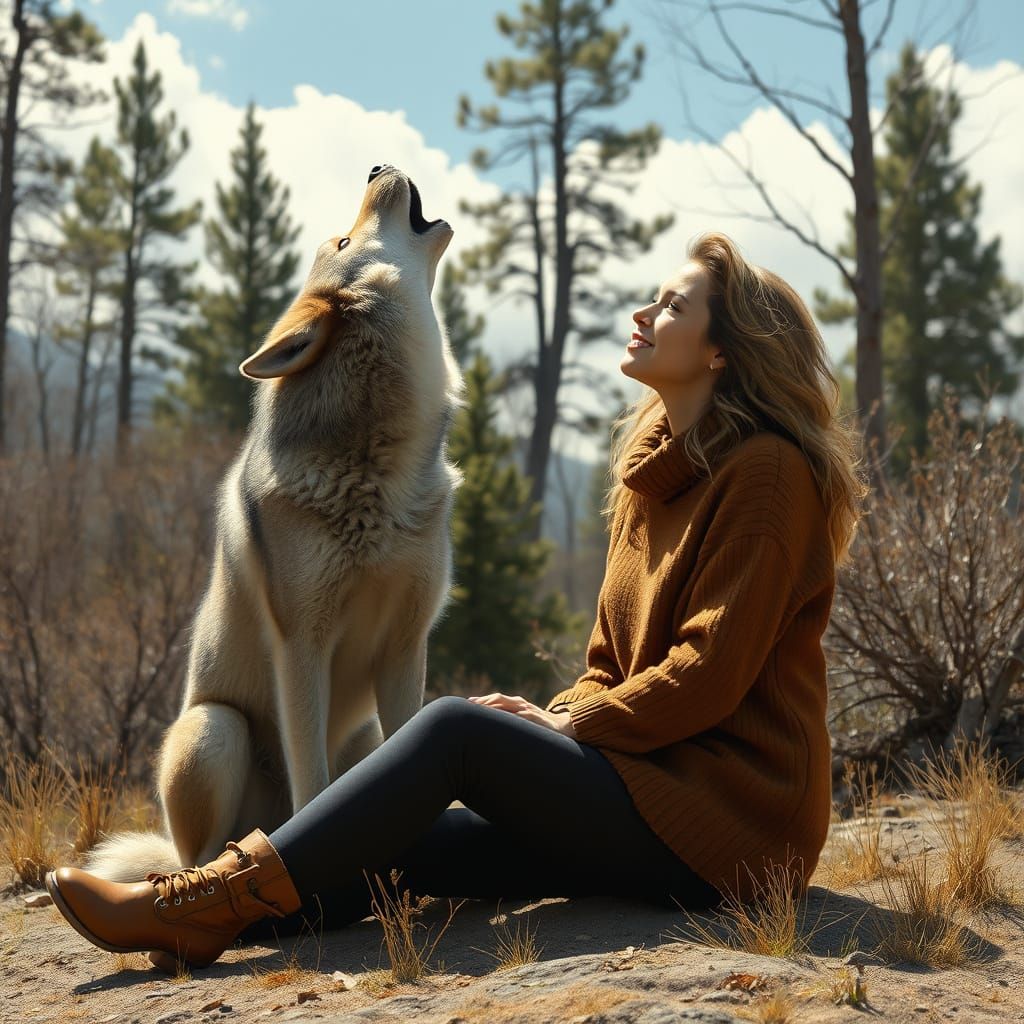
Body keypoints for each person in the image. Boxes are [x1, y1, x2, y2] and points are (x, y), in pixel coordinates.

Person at [45, 232, 868, 972]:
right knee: (389, 849)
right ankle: (211, 917)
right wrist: (553, 713)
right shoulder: (652, 476)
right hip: (647, 794)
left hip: (733, 829)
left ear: (722, 353)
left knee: (453, 729)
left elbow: (708, 672)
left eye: (674, 304)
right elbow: (608, 669)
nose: (645, 310)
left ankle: (194, 902)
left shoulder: (767, 474)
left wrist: (564, 728)